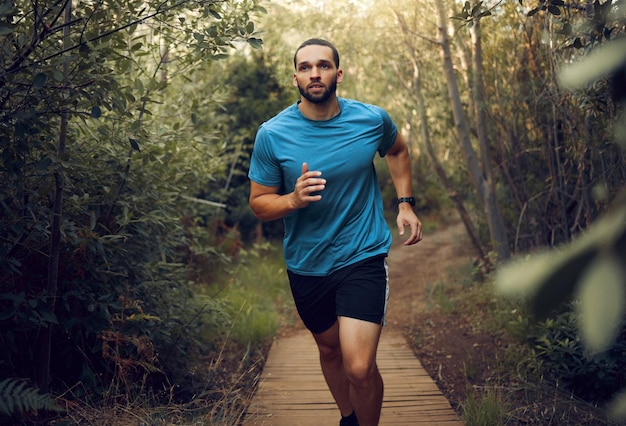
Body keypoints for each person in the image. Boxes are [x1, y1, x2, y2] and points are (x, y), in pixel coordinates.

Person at [248, 38, 423, 426]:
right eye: (306, 67)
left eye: (324, 66)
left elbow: (397, 150)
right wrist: (292, 200)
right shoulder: (272, 135)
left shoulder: (371, 120)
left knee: (359, 366)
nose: (315, 73)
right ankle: (349, 417)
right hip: (307, 263)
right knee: (330, 351)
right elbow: (259, 202)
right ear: (295, 76)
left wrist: (405, 203)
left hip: (362, 254)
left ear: (338, 74)